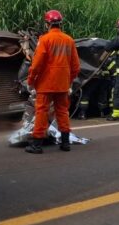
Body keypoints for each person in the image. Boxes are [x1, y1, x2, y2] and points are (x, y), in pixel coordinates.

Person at [25, 10, 80, 153]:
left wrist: (31, 80)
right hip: (62, 84)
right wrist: (68, 80)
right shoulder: (69, 40)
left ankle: (37, 145)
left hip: (46, 84)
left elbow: (36, 64)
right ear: (60, 24)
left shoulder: (45, 40)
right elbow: (76, 67)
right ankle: (65, 143)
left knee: (41, 112)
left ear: (47, 24)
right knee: (62, 112)